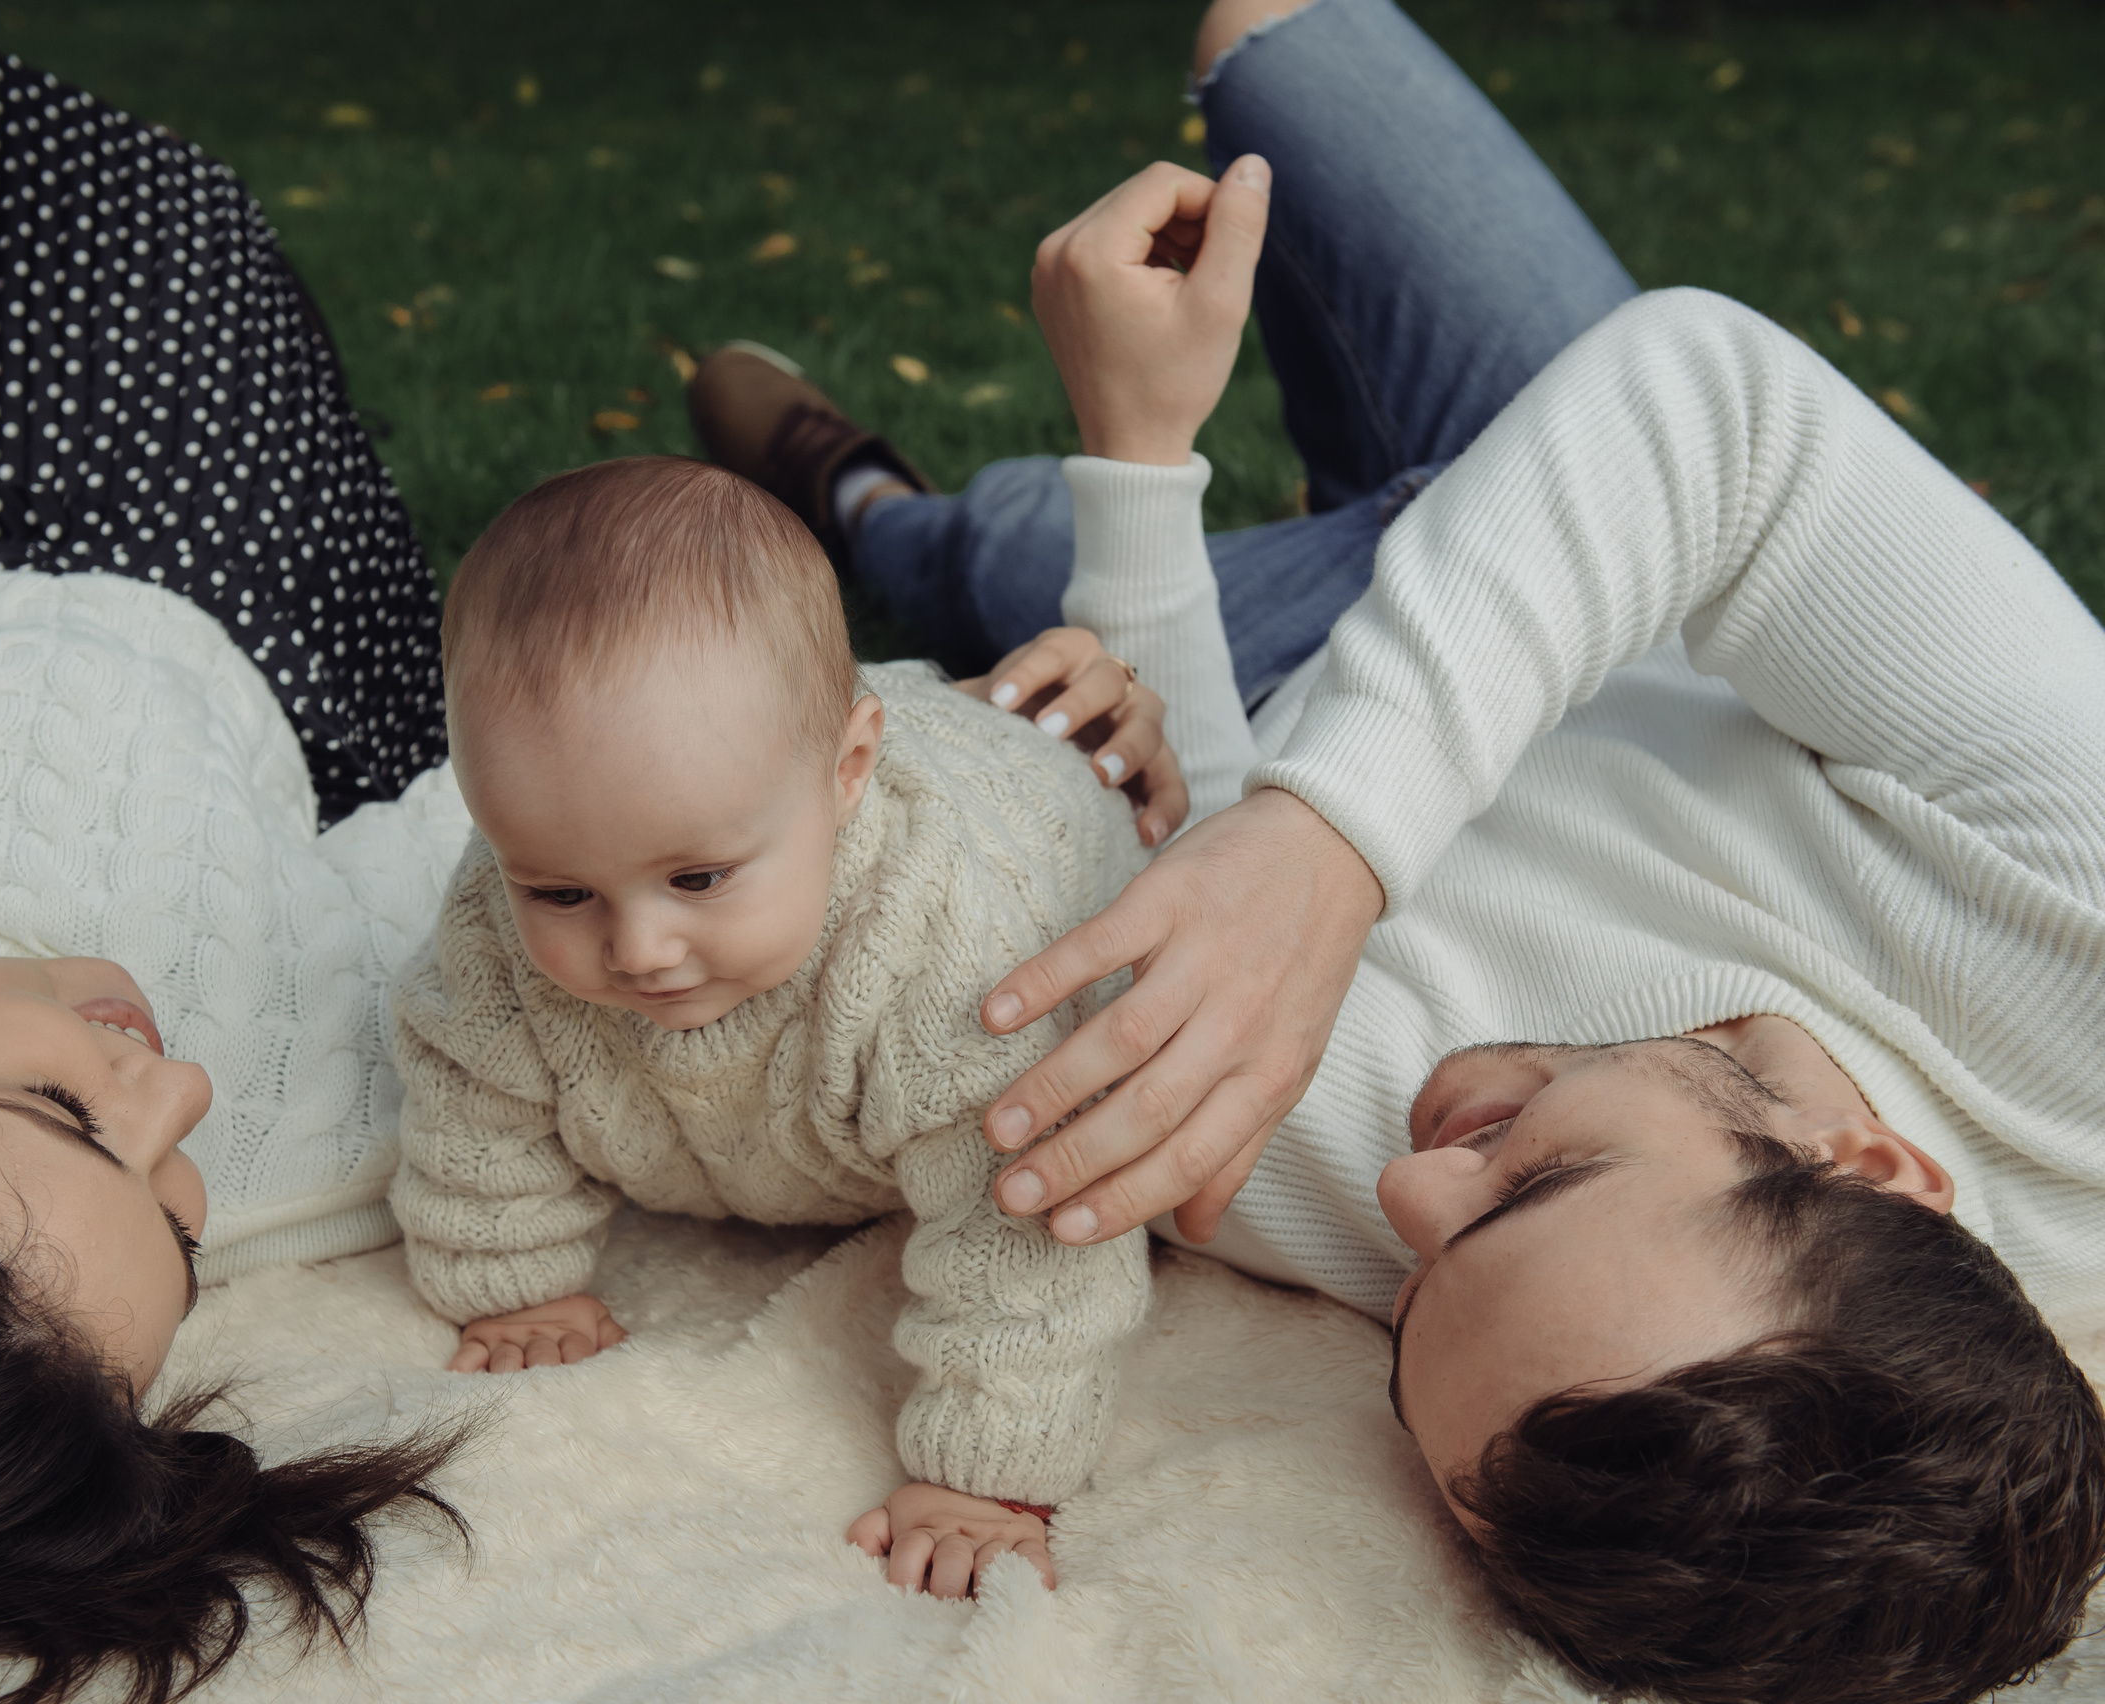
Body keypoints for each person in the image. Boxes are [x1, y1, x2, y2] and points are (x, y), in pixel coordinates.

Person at [0, 6, 1178, 1696]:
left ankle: (865, 500)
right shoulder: (302, 1104)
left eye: (70, 1113)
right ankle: (862, 503)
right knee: (154, 218)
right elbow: (482, 907)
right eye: (178, 1222)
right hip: (177, 575)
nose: (178, 1093)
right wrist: (973, 741)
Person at [690, 0, 2105, 1699]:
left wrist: (1139, 457)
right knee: (1280, 34)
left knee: (1017, 552)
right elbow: (1716, 417)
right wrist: (1329, 844)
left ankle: (872, 507)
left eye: (1412, 1295)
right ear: (1868, 1160)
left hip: (1303, 652)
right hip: (1619, 530)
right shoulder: (2077, 958)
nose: (1409, 1188)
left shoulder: (1456, 1266)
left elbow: (1158, 812)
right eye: (1543, 1177)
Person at [386, 452, 1233, 1601]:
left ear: (848, 773)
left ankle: (901, 542)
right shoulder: (513, 899)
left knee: (1020, 1158)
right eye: (562, 893)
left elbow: (1030, 1225)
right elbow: (465, 1083)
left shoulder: (959, 962)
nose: (637, 947)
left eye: (697, 878)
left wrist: (985, 1474)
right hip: (781, 761)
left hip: (1015, 788)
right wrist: (513, 1281)